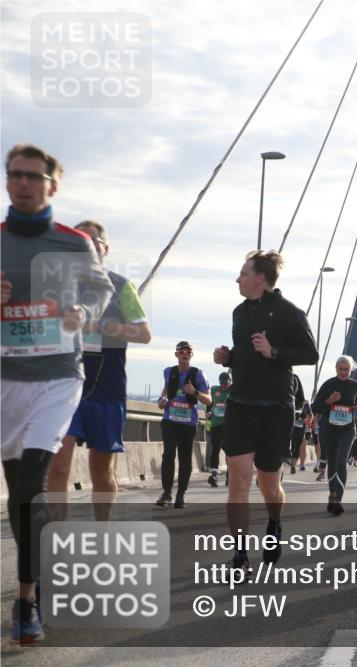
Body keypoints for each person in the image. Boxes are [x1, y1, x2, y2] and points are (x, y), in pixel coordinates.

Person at [2, 143, 114, 643]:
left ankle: (26, 598)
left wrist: (84, 314)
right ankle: (36, 581)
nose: (22, 183)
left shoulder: (73, 242)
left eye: (32, 176)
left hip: (57, 377)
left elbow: (100, 290)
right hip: (7, 379)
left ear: (52, 184)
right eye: (14, 175)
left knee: (30, 484)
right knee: (18, 497)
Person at [214, 249, 319, 572]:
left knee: (269, 485)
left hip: (275, 408)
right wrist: (228, 358)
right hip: (241, 405)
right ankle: (240, 555)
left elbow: (311, 354)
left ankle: (274, 522)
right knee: (238, 481)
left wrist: (274, 352)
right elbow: (246, 353)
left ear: (261, 278)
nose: (238, 278)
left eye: (243, 273)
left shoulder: (289, 312)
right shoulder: (238, 313)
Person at [48, 220, 152, 521]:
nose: (89, 246)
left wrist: (105, 326)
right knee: (58, 466)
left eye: (96, 241)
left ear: (105, 249)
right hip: (65, 386)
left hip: (106, 389)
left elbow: (144, 333)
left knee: (101, 471)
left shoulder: (121, 286)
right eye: (82, 240)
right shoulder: (57, 287)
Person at [155, 341, 211, 508]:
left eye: (188, 351)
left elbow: (209, 400)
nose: (185, 354)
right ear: (176, 354)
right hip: (170, 421)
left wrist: (193, 392)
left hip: (188, 423)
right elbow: (165, 391)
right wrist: (161, 400)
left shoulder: (198, 374)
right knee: (168, 454)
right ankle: (166, 493)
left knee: (185, 458)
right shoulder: (169, 372)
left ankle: (180, 495)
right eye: (181, 352)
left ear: (191, 355)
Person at [312, 355, 357, 516]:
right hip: (329, 428)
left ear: (350, 370)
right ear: (336, 369)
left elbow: (356, 403)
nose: (343, 372)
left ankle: (338, 500)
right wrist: (329, 400)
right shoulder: (328, 384)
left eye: (346, 369)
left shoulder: (355, 386)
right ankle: (332, 495)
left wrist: (356, 407)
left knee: (341, 462)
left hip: (347, 429)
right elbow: (315, 407)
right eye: (341, 369)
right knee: (332, 463)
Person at [206, 372, 232, 487]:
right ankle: (214, 475)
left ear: (230, 382)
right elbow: (209, 402)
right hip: (215, 424)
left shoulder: (234, 391)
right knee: (215, 449)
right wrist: (208, 411)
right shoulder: (214, 390)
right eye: (222, 384)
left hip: (229, 425)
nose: (223, 386)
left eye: (226, 384)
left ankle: (230, 475)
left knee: (229, 451)